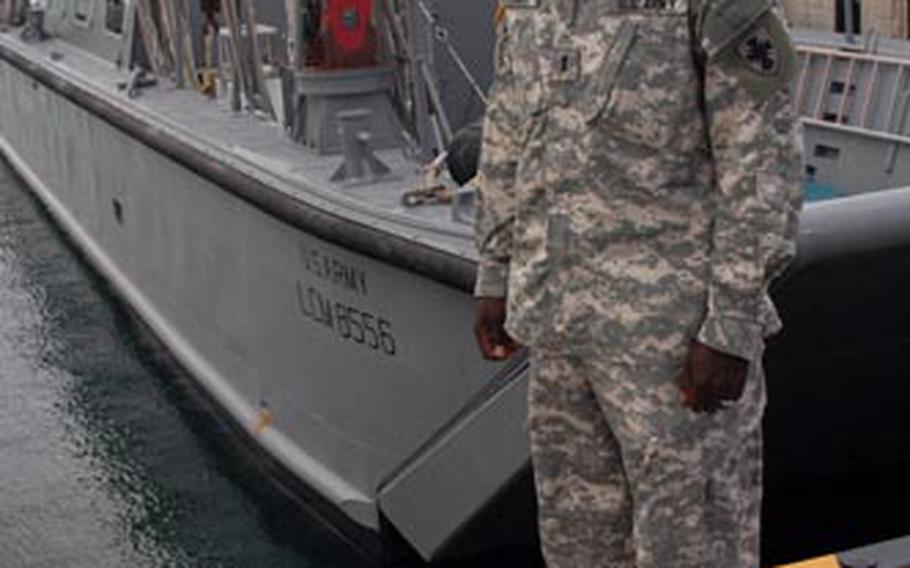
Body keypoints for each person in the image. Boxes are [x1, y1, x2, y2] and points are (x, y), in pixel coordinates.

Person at [473, 1, 803, 567]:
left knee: (692, 551)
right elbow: (507, 128)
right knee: (578, 548)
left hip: (672, 348)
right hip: (560, 331)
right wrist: (496, 266)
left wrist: (730, 326)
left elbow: (759, 163)